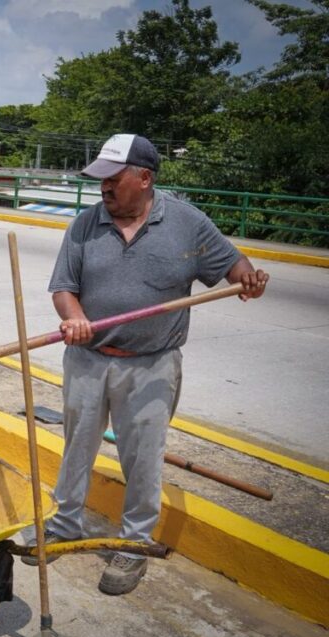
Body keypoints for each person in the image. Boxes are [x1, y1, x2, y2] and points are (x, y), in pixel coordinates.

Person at [29, 133, 269, 595]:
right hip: (88, 358)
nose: (103, 188)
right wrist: (75, 318)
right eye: (100, 180)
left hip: (152, 364)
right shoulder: (85, 224)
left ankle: (134, 544)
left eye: (112, 179)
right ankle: (65, 524)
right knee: (77, 445)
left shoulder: (187, 223)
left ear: (144, 178)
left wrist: (248, 279)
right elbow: (63, 287)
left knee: (142, 457)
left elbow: (233, 265)